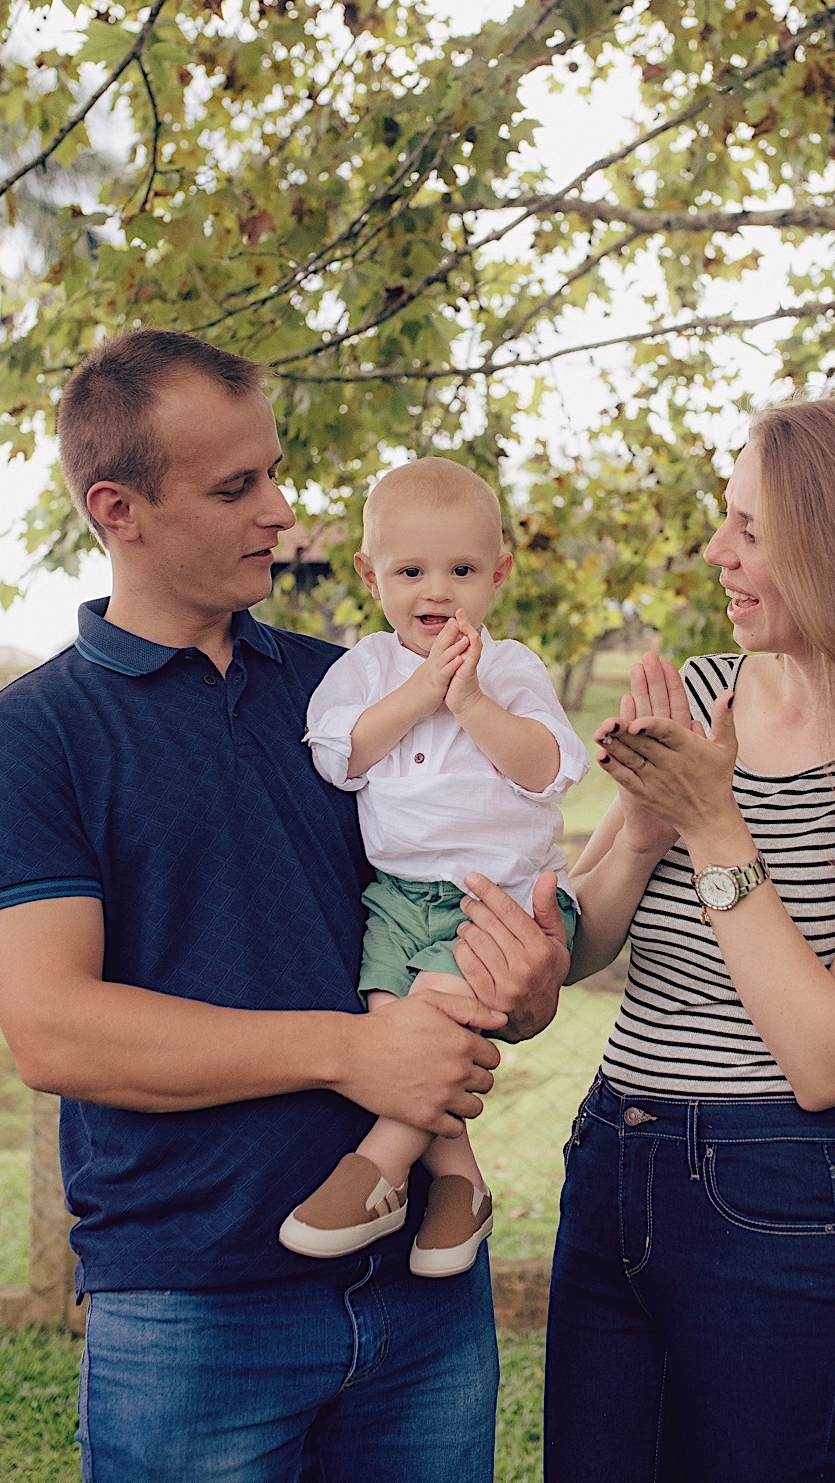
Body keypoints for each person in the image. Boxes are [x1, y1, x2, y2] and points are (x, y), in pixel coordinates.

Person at [0, 329, 572, 1483]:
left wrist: (526, 985)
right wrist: (355, 1054)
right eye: (237, 486)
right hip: (193, 1311)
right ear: (117, 509)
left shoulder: (357, 689)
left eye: (276, 473)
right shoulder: (35, 735)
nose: (281, 512)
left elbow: (441, 910)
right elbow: (54, 1028)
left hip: (423, 1301)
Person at [544, 396, 835, 1483]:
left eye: (752, 529)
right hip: (612, 1155)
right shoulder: (704, 693)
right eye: (725, 519)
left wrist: (713, 823)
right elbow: (584, 944)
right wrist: (645, 833)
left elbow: (829, 1056)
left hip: (771, 1197)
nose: (718, 552)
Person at [279, 457, 588, 1276]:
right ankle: (459, 1180)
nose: (436, 592)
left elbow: (550, 767)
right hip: (399, 897)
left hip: (500, 902)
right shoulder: (369, 669)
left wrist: (473, 704)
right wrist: (420, 694)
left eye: (461, 571)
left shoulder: (512, 668)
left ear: (499, 575)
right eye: (410, 571)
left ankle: (379, 1167)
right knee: (392, 1019)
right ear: (369, 574)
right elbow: (339, 758)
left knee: (440, 1017)